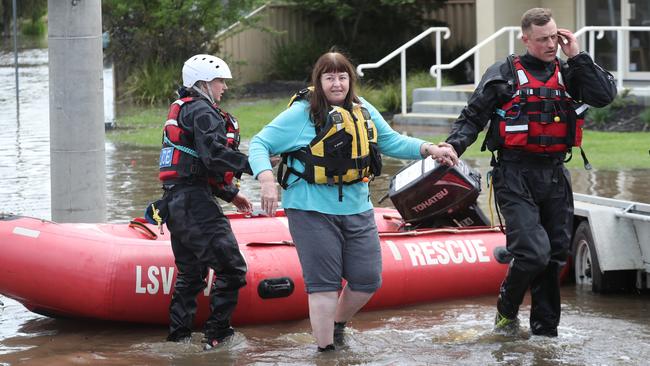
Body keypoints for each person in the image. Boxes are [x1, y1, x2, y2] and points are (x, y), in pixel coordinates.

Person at [248, 51, 458, 351]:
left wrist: (428, 148)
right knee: (324, 286)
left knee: (368, 280)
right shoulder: (301, 113)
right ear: (318, 82)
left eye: (342, 77)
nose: (337, 83)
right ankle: (326, 351)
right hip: (310, 209)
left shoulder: (362, 109)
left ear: (351, 80)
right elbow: (260, 143)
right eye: (329, 77)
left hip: (358, 208)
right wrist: (266, 179)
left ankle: (336, 324)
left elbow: (391, 141)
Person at [445, 8, 617, 337]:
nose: (551, 44)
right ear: (526, 39)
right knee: (533, 253)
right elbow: (472, 117)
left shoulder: (570, 73)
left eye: (555, 37)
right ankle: (507, 311)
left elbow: (605, 95)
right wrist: (453, 147)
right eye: (543, 40)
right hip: (514, 173)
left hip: (554, 174)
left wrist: (578, 55)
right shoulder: (504, 74)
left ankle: (545, 333)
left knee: (554, 257)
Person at [158, 54, 253, 350]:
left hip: (174, 202)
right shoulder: (203, 110)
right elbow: (213, 155)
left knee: (192, 273)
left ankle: (179, 339)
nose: (224, 87)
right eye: (219, 81)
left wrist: (230, 193)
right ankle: (218, 337)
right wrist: (255, 165)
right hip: (193, 203)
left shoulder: (184, 109)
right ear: (202, 83)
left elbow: (196, 161)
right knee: (232, 269)